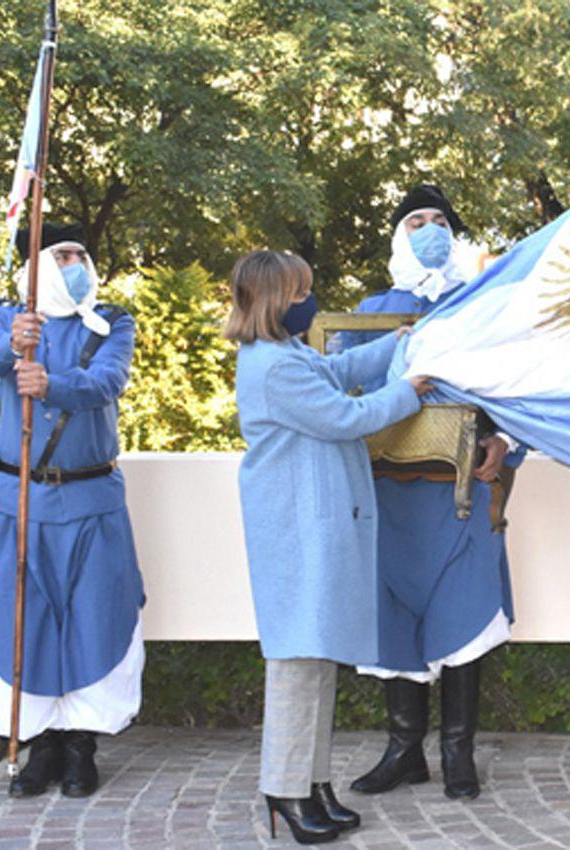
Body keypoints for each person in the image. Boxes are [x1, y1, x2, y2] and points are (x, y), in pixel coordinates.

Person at [227, 249, 432, 844]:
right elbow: (347, 416)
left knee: (316, 661)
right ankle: (285, 790)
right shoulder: (272, 367)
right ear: (272, 300)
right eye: (299, 294)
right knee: (297, 664)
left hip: (309, 528)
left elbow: (340, 374)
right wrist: (411, 390)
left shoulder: (287, 354)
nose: (307, 302)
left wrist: (398, 342)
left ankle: (311, 783)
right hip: (295, 532)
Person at [346, 184, 522, 801]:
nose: (429, 228)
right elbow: (344, 395)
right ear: (398, 236)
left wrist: (504, 443)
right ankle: (403, 752)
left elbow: (513, 388)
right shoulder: (371, 308)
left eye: (439, 219)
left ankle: (458, 755)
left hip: (459, 495)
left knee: (463, 616)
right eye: (416, 219)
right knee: (394, 622)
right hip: (389, 496)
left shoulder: (483, 302)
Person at [0, 223, 144, 799]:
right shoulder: (10, 318)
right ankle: (39, 745)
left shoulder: (112, 321)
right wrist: (11, 343)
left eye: (80, 255)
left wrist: (53, 382)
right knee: (27, 622)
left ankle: (80, 748)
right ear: (38, 265)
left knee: (94, 617)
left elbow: (107, 381)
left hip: (92, 498)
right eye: (62, 254)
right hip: (23, 500)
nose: (75, 263)